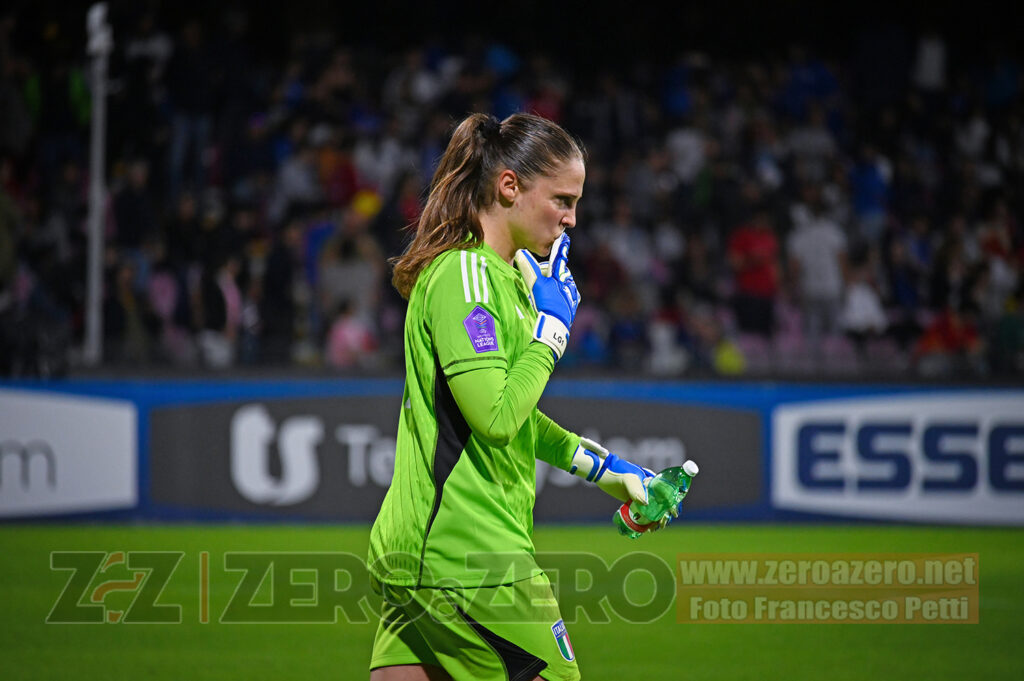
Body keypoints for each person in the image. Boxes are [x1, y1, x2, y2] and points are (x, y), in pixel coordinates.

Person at [367, 112, 667, 681]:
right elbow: (497, 419)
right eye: (561, 199)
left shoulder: (503, 282)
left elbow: (510, 415)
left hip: (425, 553)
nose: (571, 219)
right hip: (469, 557)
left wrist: (608, 470)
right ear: (510, 186)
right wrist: (552, 333)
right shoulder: (466, 279)